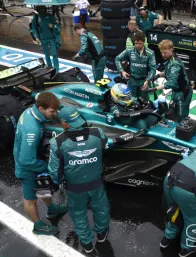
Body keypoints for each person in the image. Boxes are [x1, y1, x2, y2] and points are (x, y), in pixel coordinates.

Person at [48, 106, 110, 254]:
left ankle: (87, 244)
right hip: (96, 183)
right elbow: (105, 147)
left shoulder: (56, 142)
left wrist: (60, 182)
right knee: (101, 208)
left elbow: (54, 172)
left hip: (74, 188)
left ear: (64, 123)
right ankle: (101, 235)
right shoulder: (98, 133)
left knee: (78, 214)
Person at [14, 92, 68, 235]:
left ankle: (51, 209)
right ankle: (37, 225)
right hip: (27, 166)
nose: (54, 114)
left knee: (42, 185)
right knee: (30, 199)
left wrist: (60, 116)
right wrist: (49, 168)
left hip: (34, 157)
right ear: (41, 109)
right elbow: (25, 160)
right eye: (52, 112)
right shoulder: (32, 130)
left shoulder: (30, 110)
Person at [151, 40, 192, 122]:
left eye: (165, 52)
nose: (163, 55)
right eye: (161, 52)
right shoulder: (169, 60)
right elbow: (168, 71)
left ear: (171, 49)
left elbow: (172, 82)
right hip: (175, 91)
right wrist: (158, 75)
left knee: (181, 116)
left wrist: (155, 89)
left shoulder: (175, 63)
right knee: (171, 112)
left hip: (184, 92)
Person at [115, 31, 156, 100]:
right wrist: (122, 71)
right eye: (136, 43)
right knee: (131, 101)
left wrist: (147, 80)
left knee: (144, 102)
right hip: (132, 80)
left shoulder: (150, 53)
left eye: (140, 43)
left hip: (144, 81)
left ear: (144, 42)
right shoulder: (129, 50)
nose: (137, 46)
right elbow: (117, 59)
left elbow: (153, 69)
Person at [30, 6, 61, 71]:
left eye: (43, 9)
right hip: (43, 38)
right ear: (38, 9)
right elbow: (34, 28)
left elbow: (56, 25)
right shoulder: (36, 17)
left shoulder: (50, 16)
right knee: (47, 54)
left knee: (54, 54)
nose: (42, 10)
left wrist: (51, 26)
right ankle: (50, 68)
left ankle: (57, 70)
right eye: (40, 9)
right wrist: (36, 37)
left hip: (52, 37)